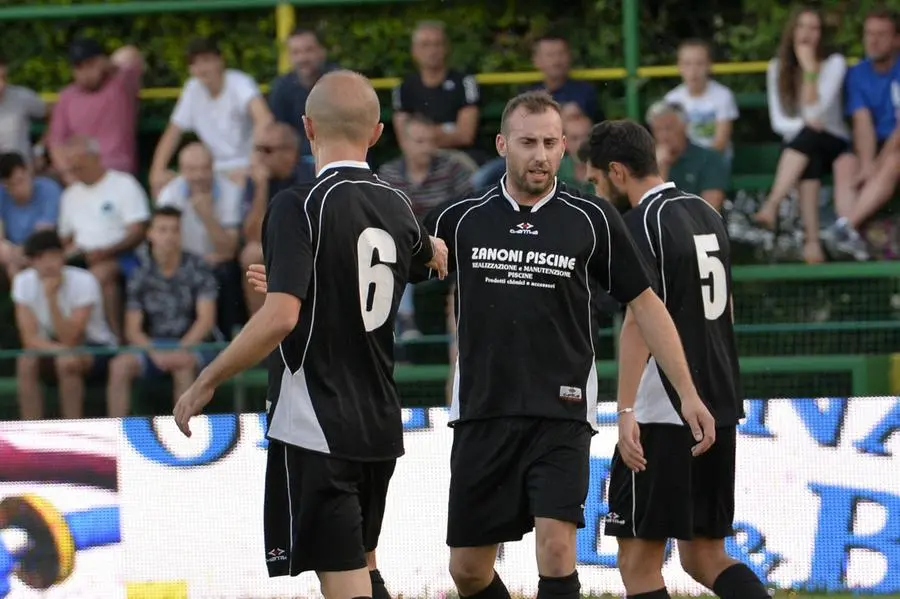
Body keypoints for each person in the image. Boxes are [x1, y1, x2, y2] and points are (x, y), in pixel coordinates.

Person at [417, 91, 714, 599]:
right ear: (502, 144)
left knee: (556, 552)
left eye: (552, 143)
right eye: (528, 142)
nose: (541, 154)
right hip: (483, 411)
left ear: (563, 148)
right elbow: (380, 267)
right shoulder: (459, 218)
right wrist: (300, 284)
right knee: (467, 571)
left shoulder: (593, 217)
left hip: (562, 410)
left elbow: (645, 305)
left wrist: (687, 391)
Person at [172, 70, 447, 599]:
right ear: (377, 133)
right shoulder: (396, 205)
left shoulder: (297, 205)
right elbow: (421, 258)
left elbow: (281, 318)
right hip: (378, 421)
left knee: (345, 583)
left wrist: (208, 378)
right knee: (364, 567)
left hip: (320, 423)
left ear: (307, 127)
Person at [579, 120, 770, 599]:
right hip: (718, 403)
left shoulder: (639, 223)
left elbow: (638, 321)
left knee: (637, 562)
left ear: (617, 171)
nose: (598, 192)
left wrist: (625, 411)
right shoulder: (704, 211)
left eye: (597, 182)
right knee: (705, 557)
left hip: (664, 410)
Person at [754, 6, 856, 263]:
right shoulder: (777, 67)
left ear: (822, 34)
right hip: (801, 147)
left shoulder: (834, 63)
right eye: (802, 27)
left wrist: (810, 69)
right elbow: (779, 122)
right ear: (792, 31)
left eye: (814, 28)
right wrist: (806, 125)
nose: (807, 34)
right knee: (807, 151)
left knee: (808, 137)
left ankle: (772, 203)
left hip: (833, 141)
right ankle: (812, 245)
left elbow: (818, 114)